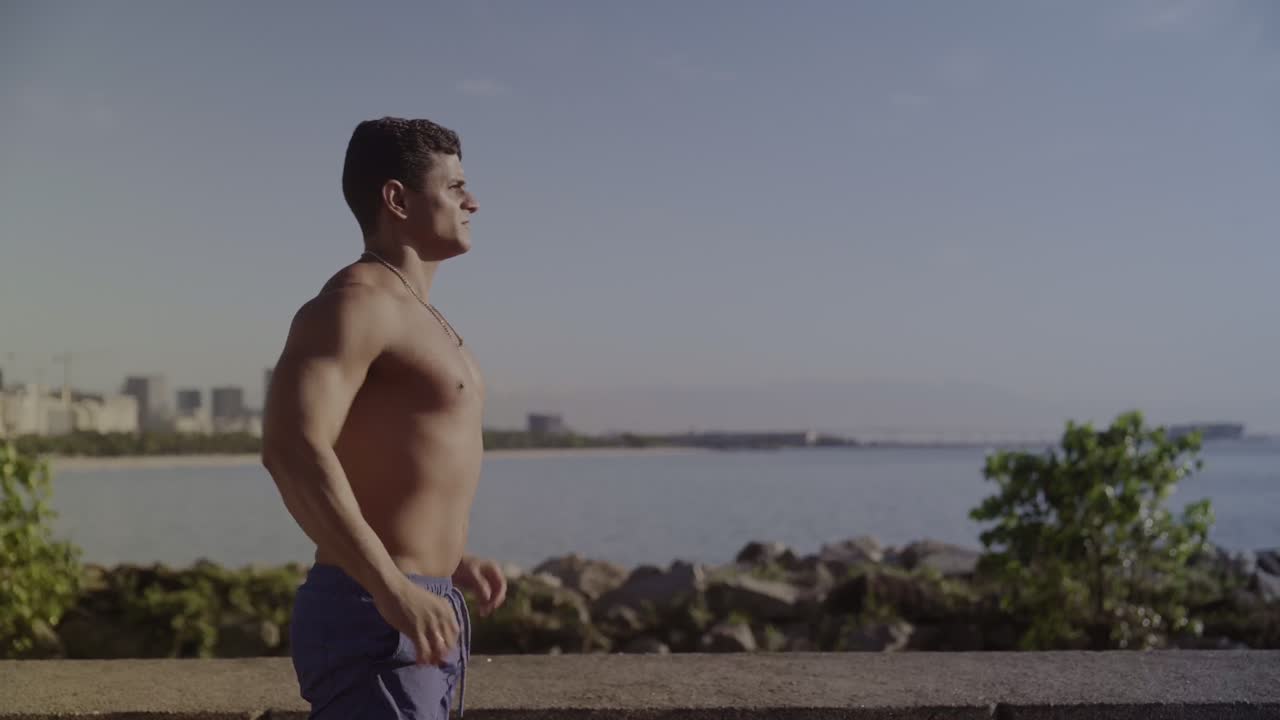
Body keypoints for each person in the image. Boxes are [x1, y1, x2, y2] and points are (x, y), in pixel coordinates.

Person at [262, 116, 506, 719]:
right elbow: (291, 447)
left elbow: (394, 456)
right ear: (397, 199)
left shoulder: (422, 316)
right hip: (373, 611)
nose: (473, 202)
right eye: (454, 187)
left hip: (417, 603)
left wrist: (449, 561)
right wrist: (390, 585)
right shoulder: (355, 305)